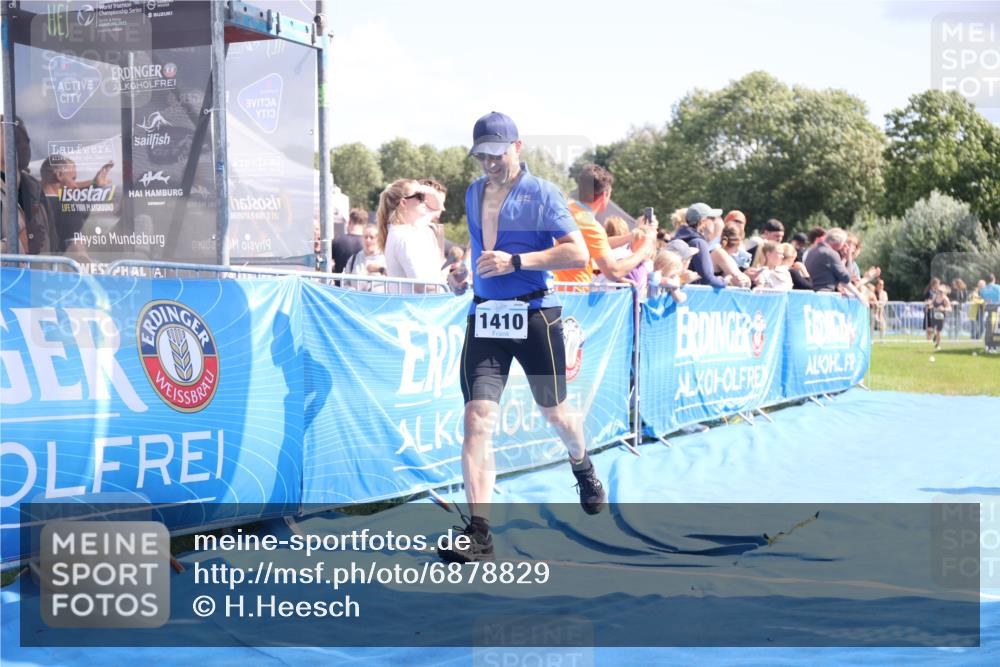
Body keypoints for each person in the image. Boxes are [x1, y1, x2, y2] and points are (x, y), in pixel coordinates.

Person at [439, 111, 600, 563]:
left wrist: (516, 262)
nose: (489, 162)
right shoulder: (473, 193)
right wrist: (461, 273)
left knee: (557, 414)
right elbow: (478, 250)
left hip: (534, 315)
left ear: (518, 147)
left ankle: (582, 466)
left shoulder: (543, 193)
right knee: (477, 418)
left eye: (497, 153)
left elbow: (577, 251)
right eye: (481, 155)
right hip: (486, 315)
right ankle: (479, 533)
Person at [552, 163, 654, 289]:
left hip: (556, 293)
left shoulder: (570, 210)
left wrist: (630, 236)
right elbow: (614, 272)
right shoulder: (589, 224)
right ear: (605, 195)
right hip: (574, 298)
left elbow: (598, 244)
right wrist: (644, 251)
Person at [376, 179, 446, 293]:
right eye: (420, 197)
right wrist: (447, 280)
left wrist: (430, 192)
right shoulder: (404, 236)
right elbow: (421, 285)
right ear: (403, 203)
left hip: (411, 307)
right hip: (415, 308)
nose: (425, 200)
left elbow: (439, 207)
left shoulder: (401, 231)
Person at [0, 115, 52, 255]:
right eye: (14, 137)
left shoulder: (34, 187)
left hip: (40, 274)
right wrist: (19, 244)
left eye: (25, 140)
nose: (23, 145)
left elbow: (52, 242)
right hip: (9, 277)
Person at [673, 203, 727, 288]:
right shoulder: (698, 243)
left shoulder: (678, 239)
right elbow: (708, 279)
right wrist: (724, 281)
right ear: (703, 221)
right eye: (712, 218)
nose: (714, 222)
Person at [804, 227, 865, 303]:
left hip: (812, 295)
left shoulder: (812, 251)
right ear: (839, 242)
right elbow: (846, 278)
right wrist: (848, 256)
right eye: (844, 243)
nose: (844, 246)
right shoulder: (831, 254)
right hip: (825, 296)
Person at [344, 223, 386, 291]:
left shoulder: (385, 259)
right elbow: (345, 283)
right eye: (365, 237)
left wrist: (381, 269)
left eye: (372, 237)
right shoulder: (353, 259)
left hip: (378, 300)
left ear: (378, 239)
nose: (368, 240)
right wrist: (351, 290)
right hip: (356, 300)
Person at [332, 208, 368, 276]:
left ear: (349, 222)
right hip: (362, 284)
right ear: (365, 224)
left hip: (339, 285)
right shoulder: (369, 244)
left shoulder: (337, 241)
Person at [927, 285, 951, 351]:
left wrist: (944, 308)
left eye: (941, 291)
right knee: (930, 330)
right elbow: (931, 304)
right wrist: (930, 306)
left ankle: (937, 345)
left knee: (938, 332)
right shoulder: (935, 297)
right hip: (934, 316)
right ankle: (934, 335)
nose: (939, 293)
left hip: (941, 317)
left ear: (944, 292)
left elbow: (950, 308)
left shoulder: (945, 299)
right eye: (938, 291)